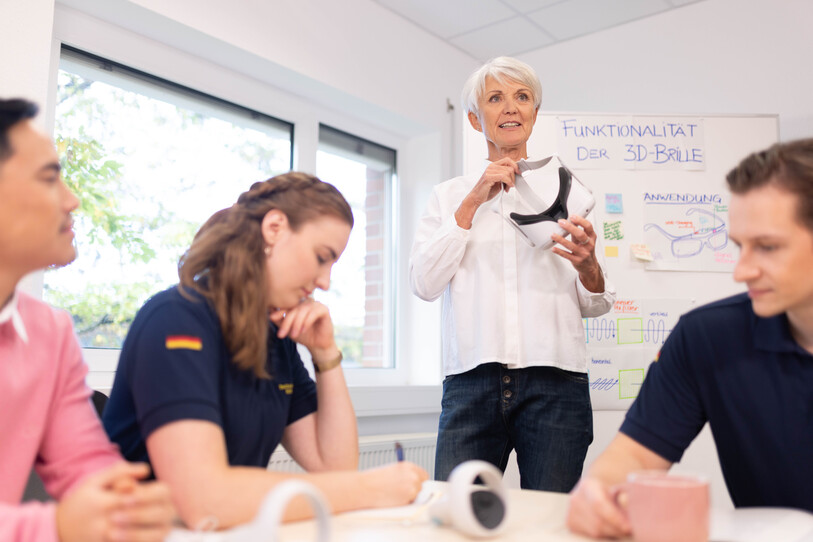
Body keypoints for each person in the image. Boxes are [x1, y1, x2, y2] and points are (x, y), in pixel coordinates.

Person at [102, 171, 428, 530]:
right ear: (274, 228)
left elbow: (334, 466)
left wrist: (325, 353)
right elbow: (204, 501)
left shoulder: (276, 338)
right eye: (322, 257)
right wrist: (369, 488)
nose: (325, 282)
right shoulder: (176, 319)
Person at [567, 138, 813, 538]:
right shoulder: (709, 337)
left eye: (767, 247)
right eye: (739, 246)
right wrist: (596, 493)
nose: (742, 271)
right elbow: (635, 457)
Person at [409, 56, 616, 491]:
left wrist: (589, 266)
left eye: (522, 98)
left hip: (556, 382)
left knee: (550, 524)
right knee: (460, 519)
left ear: (534, 115)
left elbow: (596, 302)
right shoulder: (447, 198)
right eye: (495, 98)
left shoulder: (569, 192)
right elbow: (424, 284)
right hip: (471, 383)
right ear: (473, 118)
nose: (510, 108)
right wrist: (472, 201)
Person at [0, 97, 175, 541]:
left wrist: (126, 500)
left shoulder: (49, 333)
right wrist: (54, 526)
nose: (73, 200)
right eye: (49, 179)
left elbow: (85, 463)